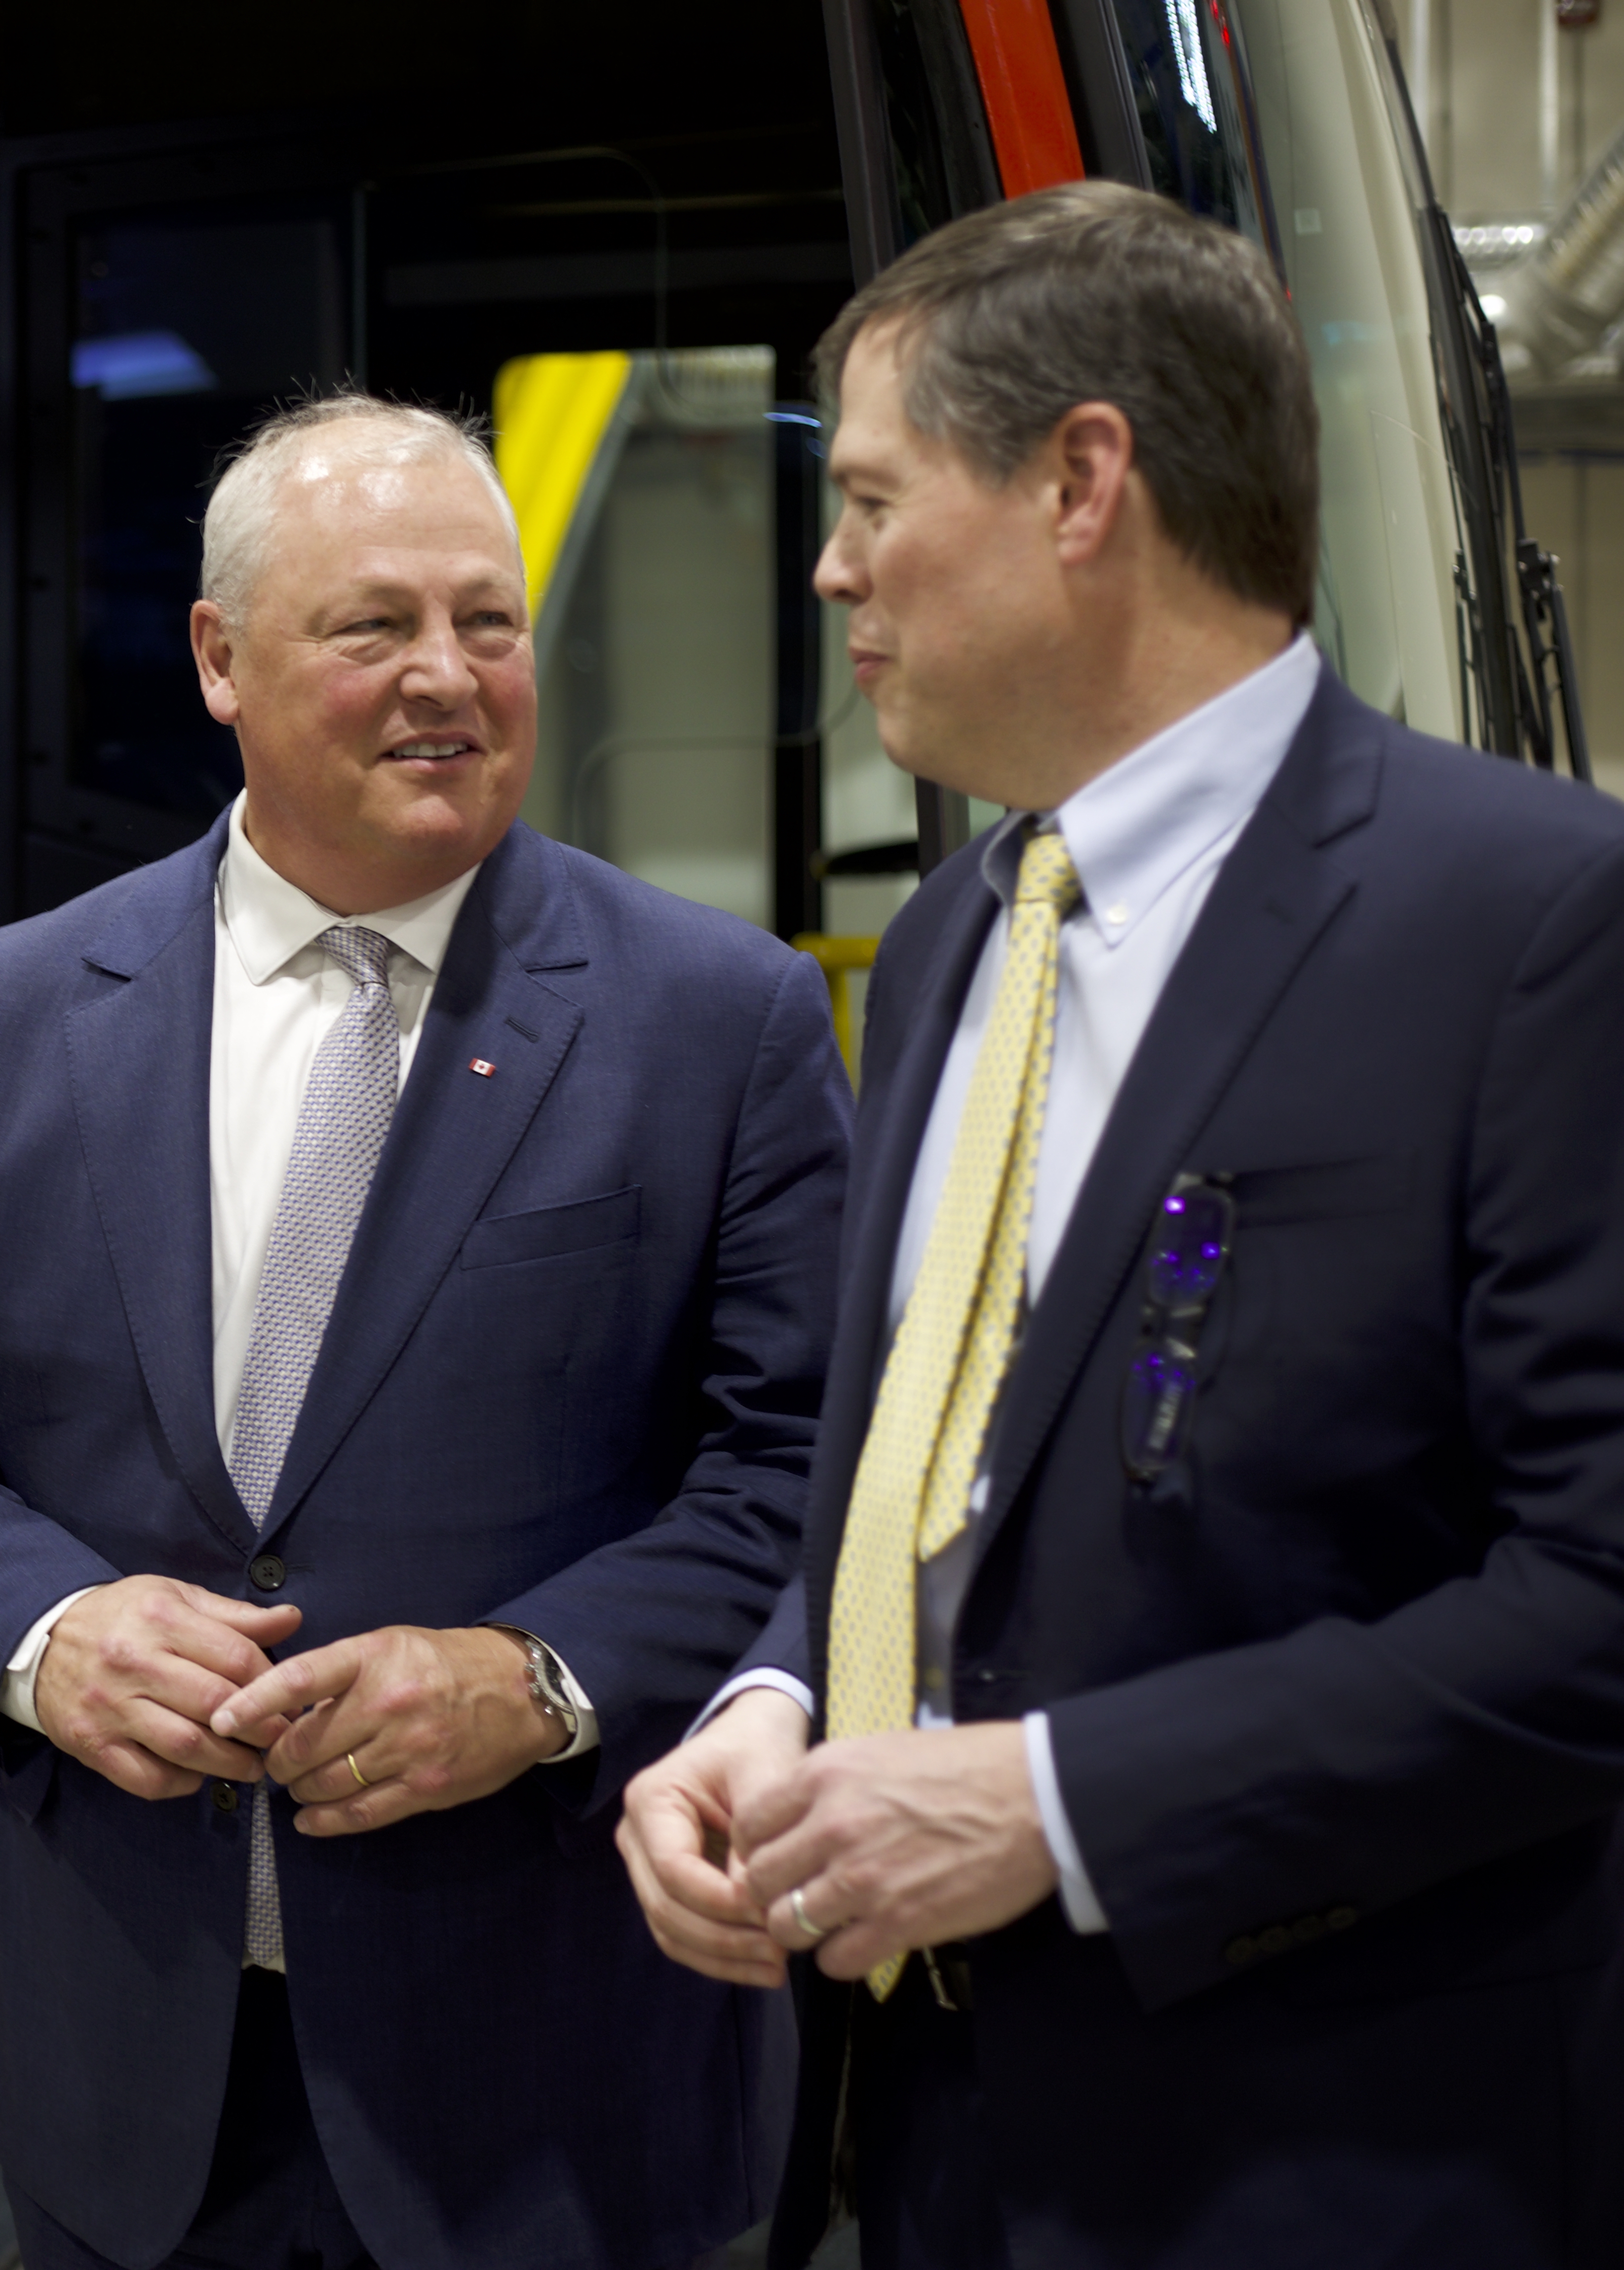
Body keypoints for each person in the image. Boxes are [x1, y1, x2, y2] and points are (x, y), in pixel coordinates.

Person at [617, 180, 1624, 2270]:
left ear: (1084, 481)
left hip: (1330, 2159)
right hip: (932, 2155)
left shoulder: (1534, 921)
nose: (830, 566)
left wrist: (1056, 1807)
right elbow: (932, 1467)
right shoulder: (962, 930)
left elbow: (1599, 1600)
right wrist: (772, 1710)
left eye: (877, 499)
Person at [0, 393, 852, 2270]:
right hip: (130, 2086)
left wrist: (541, 1678)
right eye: (375, 627)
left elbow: (807, 1476)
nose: (448, 677)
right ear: (222, 660)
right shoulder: (3, 1020)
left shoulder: (723, 1021)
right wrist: (46, 1633)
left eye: (490, 624)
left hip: (553, 2096)